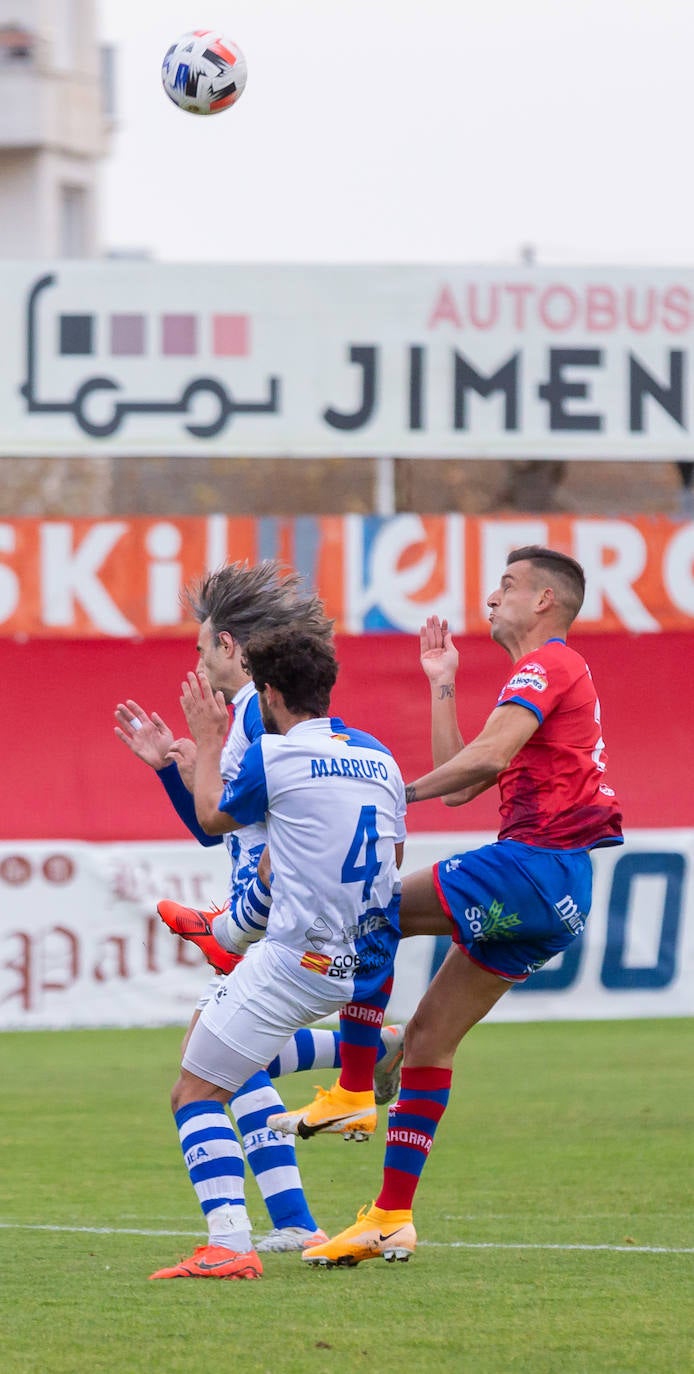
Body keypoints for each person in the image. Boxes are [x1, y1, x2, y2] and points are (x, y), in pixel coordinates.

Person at [302, 545, 624, 1268]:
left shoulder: (550, 664)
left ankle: (355, 1087)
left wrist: (389, 791)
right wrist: (441, 684)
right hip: (561, 894)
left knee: (373, 909)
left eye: (507, 584)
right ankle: (389, 1218)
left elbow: (481, 761)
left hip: (531, 867)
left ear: (545, 600)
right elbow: (464, 780)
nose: (492, 596)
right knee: (428, 1044)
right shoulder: (542, 674)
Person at [149, 626, 406, 1280]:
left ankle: (229, 1244)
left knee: (195, 1090)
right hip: (354, 962)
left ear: (267, 693)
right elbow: (384, 859)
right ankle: (370, 1049)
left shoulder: (276, 756)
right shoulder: (379, 757)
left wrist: (206, 740)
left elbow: (214, 818)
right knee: (223, 1055)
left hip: (294, 957)